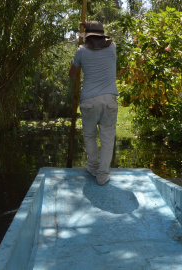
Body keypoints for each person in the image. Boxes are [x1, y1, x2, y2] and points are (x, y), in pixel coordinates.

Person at [69, 21, 119, 186]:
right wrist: (88, 25)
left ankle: (92, 167)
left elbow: (72, 75)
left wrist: (79, 59)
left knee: (90, 135)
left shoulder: (81, 51)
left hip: (89, 100)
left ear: (88, 36)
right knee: (107, 139)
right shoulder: (113, 47)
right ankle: (102, 176)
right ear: (102, 35)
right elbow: (99, 43)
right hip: (109, 99)